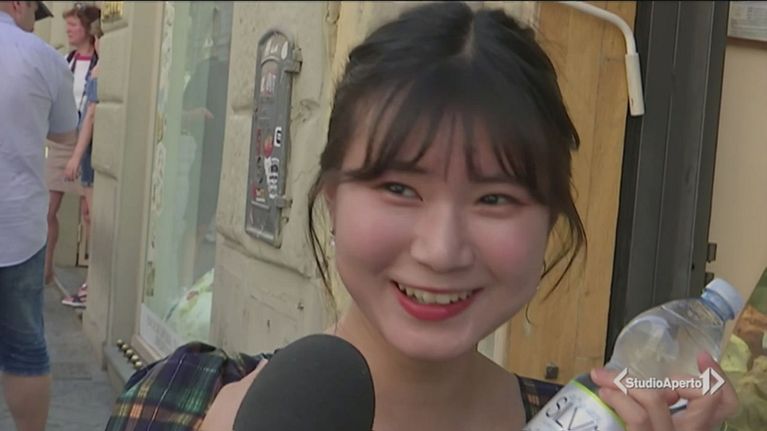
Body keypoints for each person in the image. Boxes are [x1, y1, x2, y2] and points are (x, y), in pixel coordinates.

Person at [106, 3, 739, 431]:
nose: (441, 250)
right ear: (331, 196)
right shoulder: (183, 402)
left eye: (495, 199)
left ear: (550, 222)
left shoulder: (582, 422)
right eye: (399, 188)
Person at [0, 2, 79, 430]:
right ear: (18, 4)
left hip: (18, 226)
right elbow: (65, 132)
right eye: (35, 10)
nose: (35, 21)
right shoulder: (43, 57)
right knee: (24, 350)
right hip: (16, 229)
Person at [43, 2, 100, 288]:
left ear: (88, 29)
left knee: (89, 213)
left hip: (87, 143)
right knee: (47, 209)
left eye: (73, 25)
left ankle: (91, 282)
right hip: (62, 140)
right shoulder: (65, 61)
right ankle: (46, 269)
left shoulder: (99, 63)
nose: (68, 30)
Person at [60, 26, 101, 308]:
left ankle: (91, 284)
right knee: (89, 216)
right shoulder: (95, 69)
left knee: (93, 218)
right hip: (89, 153)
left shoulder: (100, 71)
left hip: (91, 152)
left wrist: (75, 155)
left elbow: (91, 115)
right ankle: (90, 282)